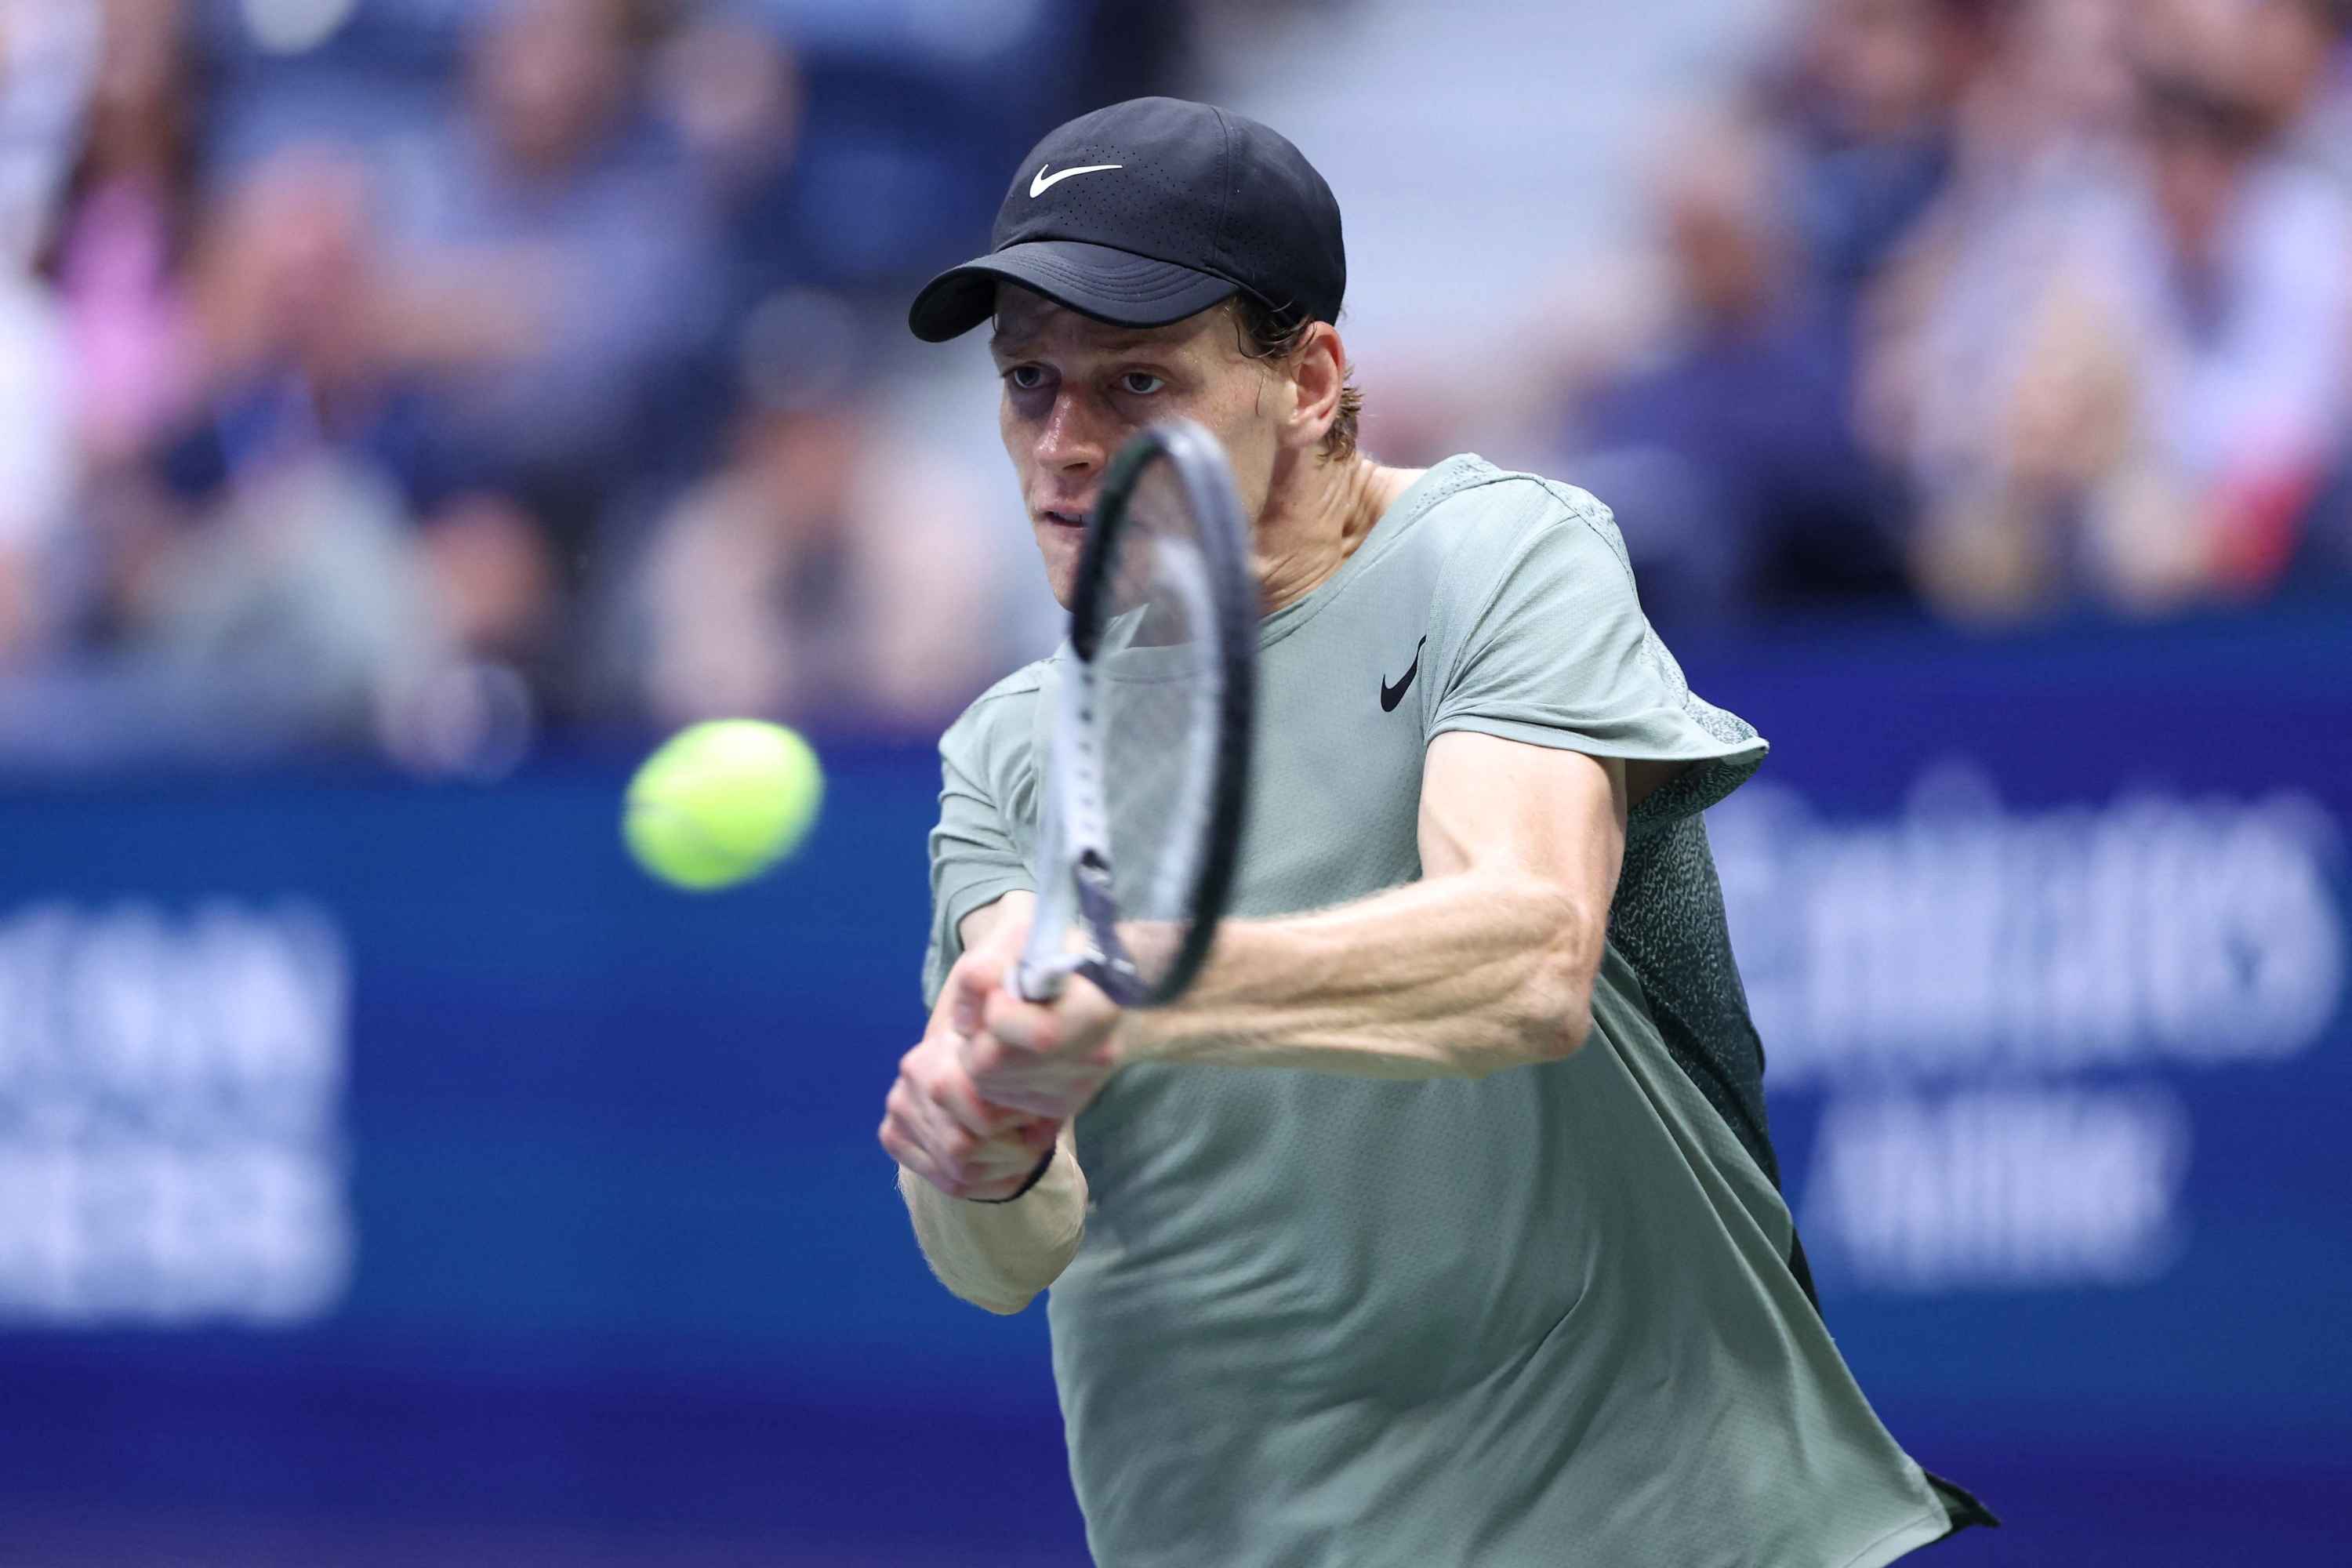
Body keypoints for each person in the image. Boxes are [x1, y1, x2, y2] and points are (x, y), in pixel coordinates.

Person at [877, 96, 1995, 1566]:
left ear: (1313, 378)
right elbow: (1006, 1259)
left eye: (1138, 381)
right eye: (1030, 383)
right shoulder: (1013, 751)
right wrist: (988, 1142)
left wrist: (1128, 986)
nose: (1065, 447)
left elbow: (1524, 954)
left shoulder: (1499, 553)